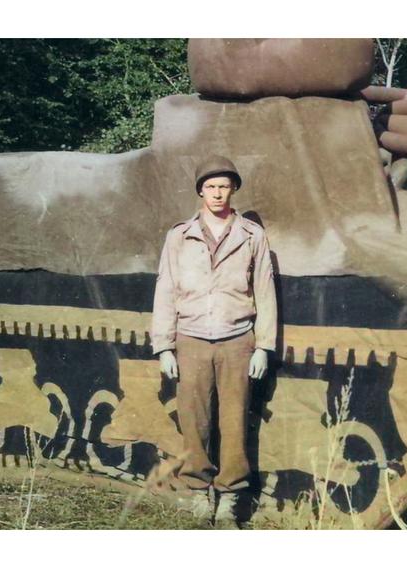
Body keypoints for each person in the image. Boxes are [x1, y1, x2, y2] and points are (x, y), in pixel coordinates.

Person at [150, 155, 277, 526]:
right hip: (190, 339)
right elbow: (165, 289)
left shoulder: (252, 235)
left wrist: (264, 347)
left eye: (224, 186)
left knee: (235, 421)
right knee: (195, 421)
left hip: (237, 339)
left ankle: (229, 497)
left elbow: (265, 292)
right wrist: (164, 346)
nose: (217, 193)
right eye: (210, 187)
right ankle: (197, 491)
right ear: (200, 191)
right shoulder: (179, 236)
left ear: (233, 189)